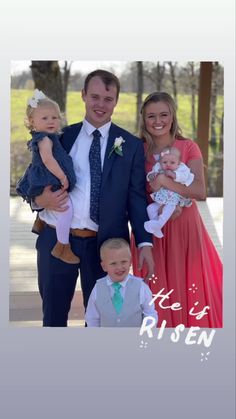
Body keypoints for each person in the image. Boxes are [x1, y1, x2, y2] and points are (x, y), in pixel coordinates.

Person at [31, 69, 154, 327]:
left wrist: (144, 243)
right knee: (52, 319)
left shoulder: (130, 145)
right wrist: (40, 201)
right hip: (55, 239)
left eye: (108, 99)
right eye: (95, 96)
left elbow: (136, 198)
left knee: (102, 322)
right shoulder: (60, 137)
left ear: (116, 101)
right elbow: (29, 181)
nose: (101, 105)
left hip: (105, 245)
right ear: (84, 95)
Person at [131, 91, 223, 328]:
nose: (158, 121)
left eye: (163, 114)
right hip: (152, 233)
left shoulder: (188, 146)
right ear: (143, 118)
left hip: (185, 229)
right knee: (156, 291)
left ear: (172, 116)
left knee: (188, 288)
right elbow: (134, 194)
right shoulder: (136, 150)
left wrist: (165, 183)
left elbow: (199, 190)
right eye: (151, 116)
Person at [16, 89, 79, 264]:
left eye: (55, 117)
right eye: (45, 118)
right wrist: (62, 177)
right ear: (32, 122)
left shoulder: (47, 137)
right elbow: (49, 160)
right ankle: (62, 246)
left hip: (43, 177)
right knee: (66, 210)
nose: (51, 121)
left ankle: (40, 221)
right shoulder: (44, 139)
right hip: (50, 178)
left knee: (57, 206)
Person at [85, 238, 158, 327]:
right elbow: (92, 318)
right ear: (104, 266)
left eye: (124, 262)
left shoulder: (141, 287)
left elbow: (150, 314)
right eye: (113, 263)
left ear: (130, 262)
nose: (119, 267)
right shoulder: (98, 288)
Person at [144, 145, 194, 238]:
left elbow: (186, 177)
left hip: (173, 198)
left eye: (172, 162)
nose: (168, 165)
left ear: (179, 163)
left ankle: (159, 224)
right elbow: (151, 173)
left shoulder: (182, 168)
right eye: (164, 162)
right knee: (150, 208)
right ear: (160, 161)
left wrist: (175, 175)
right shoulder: (158, 166)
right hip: (162, 196)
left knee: (166, 211)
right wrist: (151, 176)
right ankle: (156, 227)